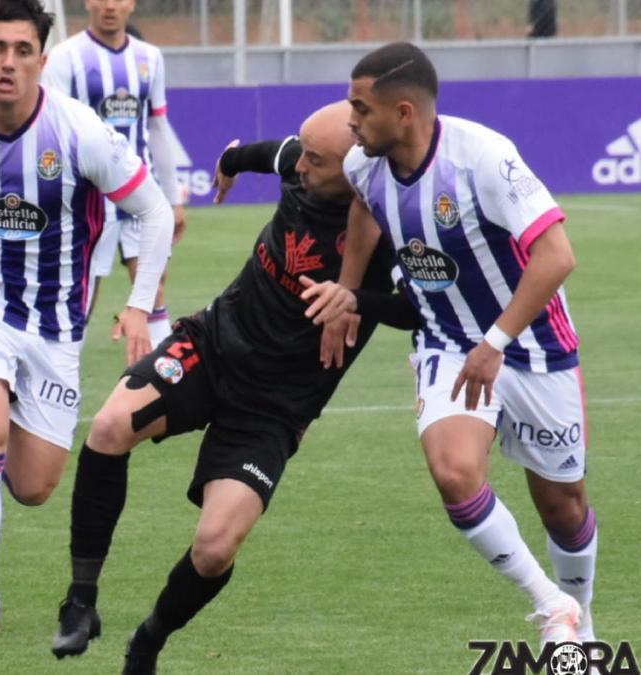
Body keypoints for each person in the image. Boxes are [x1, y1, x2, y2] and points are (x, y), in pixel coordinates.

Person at [49, 101, 415, 672]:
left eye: (316, 162)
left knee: (215, 548)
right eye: (303, 152)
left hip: (274, 410)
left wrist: (355, 301)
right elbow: (269, 153)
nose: (300, 168)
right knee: (108, 426)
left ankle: (148, 640)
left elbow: (417, 309)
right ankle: (80, 601)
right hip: (211, 348)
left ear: (353, 173)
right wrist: (229, 162)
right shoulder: (302, 160)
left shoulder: (392, 226)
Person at [0, 0, 174, 636]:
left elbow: (153, 213)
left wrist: (138, 304)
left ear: (41, 62)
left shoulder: (79, 132)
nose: (9, 65)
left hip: (55, 329)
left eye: (23, 52)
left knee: (33, 487)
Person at [320, 41, 597, 648]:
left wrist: (497, 340)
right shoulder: (365, 164)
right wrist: (346, 292)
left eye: (361, 109)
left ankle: (583, 626)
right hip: (445, 340)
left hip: (533, 344)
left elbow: (557, 256)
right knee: (455, 472)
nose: (351, 122)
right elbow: (365, 211)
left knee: (564, 508)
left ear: (404, 114)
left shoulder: (483, 159)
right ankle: (550, 606)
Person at [43, 0, 187, 346]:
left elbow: (157, 127)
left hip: (140, 194)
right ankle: (58, 381)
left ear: (132, 4)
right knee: (79, 297)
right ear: (87, 3)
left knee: (153, 288)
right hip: (87, 200)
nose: (110, 6)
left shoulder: (150, 58)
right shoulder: (66, 57)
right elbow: (52, 129)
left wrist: (172, 196)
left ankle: (161, 388)